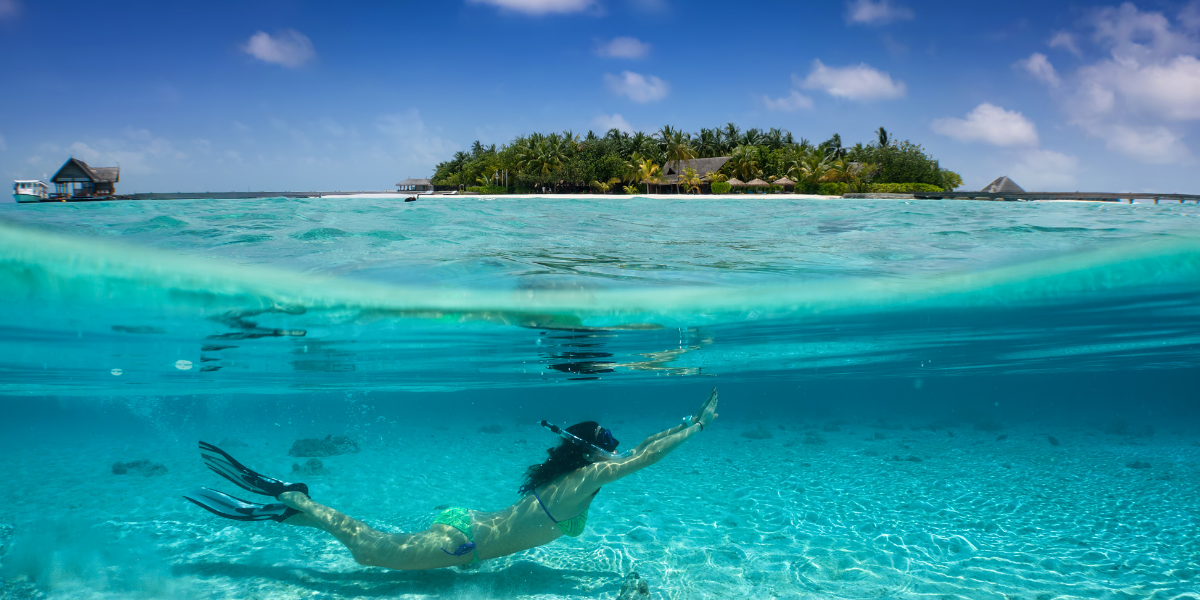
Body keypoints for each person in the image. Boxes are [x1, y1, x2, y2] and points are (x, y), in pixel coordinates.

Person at [185, 389, 719, 570]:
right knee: (371, 554)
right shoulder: (588, 477)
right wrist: (694, 428)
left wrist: (681, 423)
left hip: (470, 532)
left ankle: (296, 511)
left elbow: (643, 449)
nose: (618, 450)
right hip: (464, 540)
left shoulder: (583, 476)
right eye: (610, 443)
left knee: (375, 548)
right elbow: (644, 459)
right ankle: (294, 498)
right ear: (594, 453)